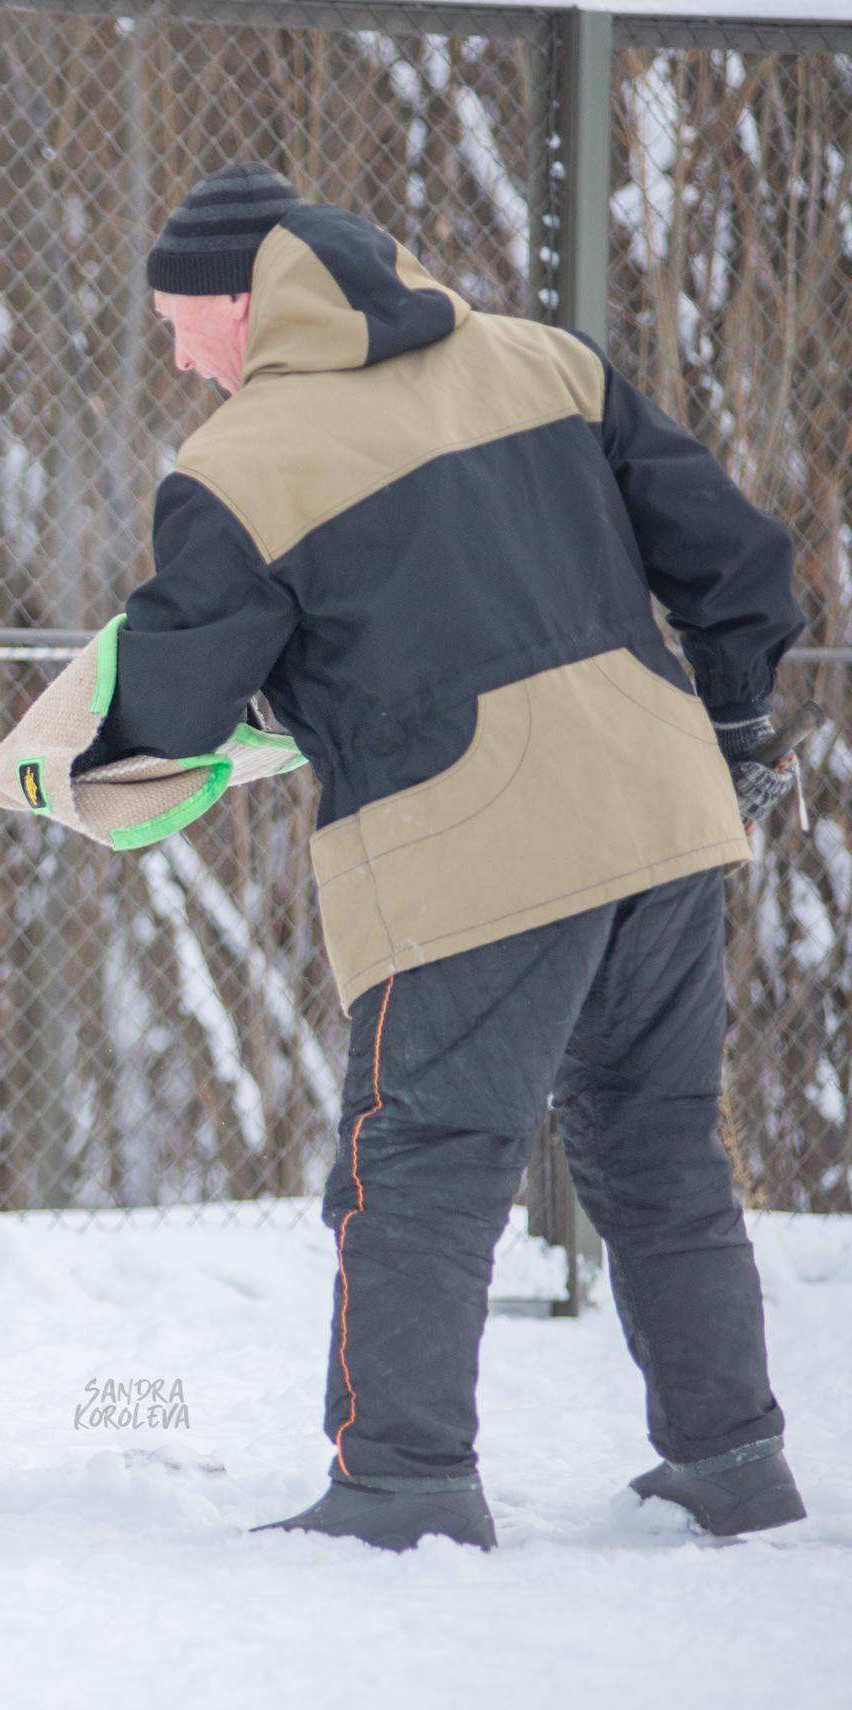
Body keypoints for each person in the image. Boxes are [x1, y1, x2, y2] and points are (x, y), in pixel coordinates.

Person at [86, 162, 809, 1549]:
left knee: (417, 1152)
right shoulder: (544, 362)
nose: (178, 354)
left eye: (184, 321)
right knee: (661, 1148)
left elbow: (168, 710)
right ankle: (733, 1463)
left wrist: (93, 744)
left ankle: (401, 1482)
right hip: (660, 813)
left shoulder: (243, 465)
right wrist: (726, 724)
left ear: (249, 306)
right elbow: (738, 560)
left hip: (473, 842)